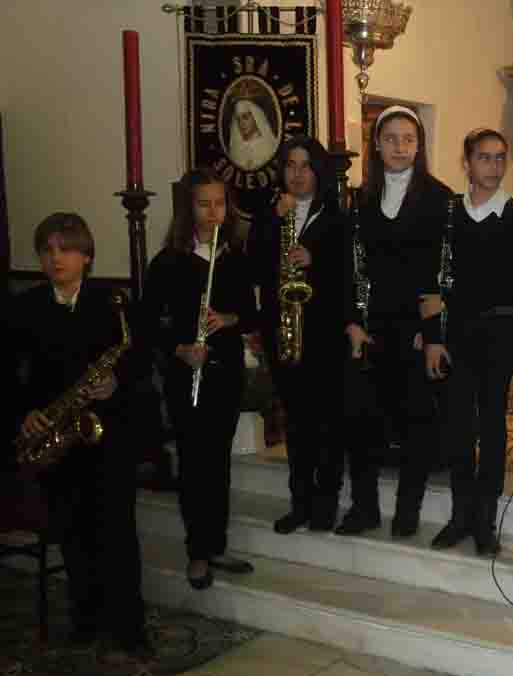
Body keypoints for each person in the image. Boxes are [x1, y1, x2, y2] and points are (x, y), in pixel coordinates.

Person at [10, 213, 148, 654]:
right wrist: (24, 413)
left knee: (118, 535)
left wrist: (117, 382)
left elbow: (141, 361)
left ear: (86, 256)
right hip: (57, 436)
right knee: (73, 535)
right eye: (47, 250)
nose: (56, 258)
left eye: (66, 249)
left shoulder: (113, 302)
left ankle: (129, 626)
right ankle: (85, 620)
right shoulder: (25, 306)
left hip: (107, 435)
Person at [337, 105, 452, 539]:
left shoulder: (440, 198)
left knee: (415, 424)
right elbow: (349, 268)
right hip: (370, 327)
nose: (400, 147)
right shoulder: (361, 199)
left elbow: (443, 274)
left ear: (419, 146)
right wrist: (352, 322)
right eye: (390, 139)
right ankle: (364, 508)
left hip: (417, 329)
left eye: (408, 139)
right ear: (376, 145)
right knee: (361, 421)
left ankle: (407, 511)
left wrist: (432, 334)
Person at [142, 168, 257, 590]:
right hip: (185, 373)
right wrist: (181, 349)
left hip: (224, 373)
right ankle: (197, 552)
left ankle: (216, 544)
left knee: (218, 461)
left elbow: (251, 314)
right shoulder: (168, 262)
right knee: (193, 463)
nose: (213, 212)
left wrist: (227, 319)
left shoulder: (235, 258)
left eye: (220, 203)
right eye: (204, 204)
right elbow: (147, 325)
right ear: (188, 209)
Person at [247, 135, 356, 534]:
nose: (297, 174)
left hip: (325, 335)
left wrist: (315, 259)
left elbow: (350, 276)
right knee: (296, 423)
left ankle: (325, 504)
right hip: (284, 331)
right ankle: (300, 503)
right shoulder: (270, 214)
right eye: (290, 165)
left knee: (327, 423)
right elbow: (253, 267)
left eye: (305, 165)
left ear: (318, 171)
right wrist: (272, 221)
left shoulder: (338, 217)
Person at [429, 128, 513, 555]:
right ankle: (460, 514)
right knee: (457, 426)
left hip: (499, 332)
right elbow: (435, 279)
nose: (493, 165)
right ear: (467, 163)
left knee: (491, 426)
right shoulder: (449, 213)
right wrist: (434, 334)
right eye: (484, 157)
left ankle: (485, 518)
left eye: (500, 157)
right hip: (457, 334)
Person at [228, 98, 280, 171]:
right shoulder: (236, 148)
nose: (241, 123)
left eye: (245, 117)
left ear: (255, 117)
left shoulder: (269, 144)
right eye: (238, 120)